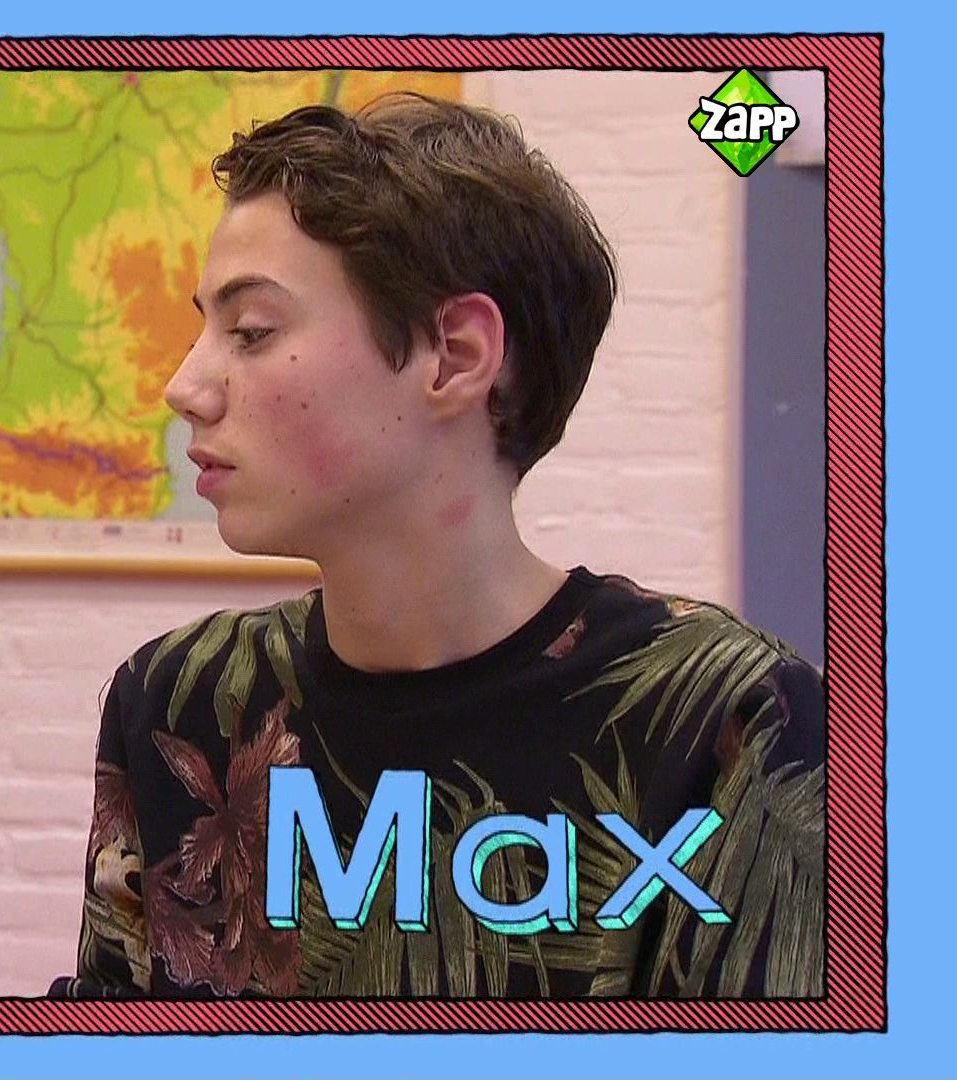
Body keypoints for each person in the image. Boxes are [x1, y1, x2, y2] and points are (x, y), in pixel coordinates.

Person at [53, 94, 825, 999]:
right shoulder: (178, 699)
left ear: (455, 357)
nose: (186, 386)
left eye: (252, 331)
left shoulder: (729, 721)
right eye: (205, 331)